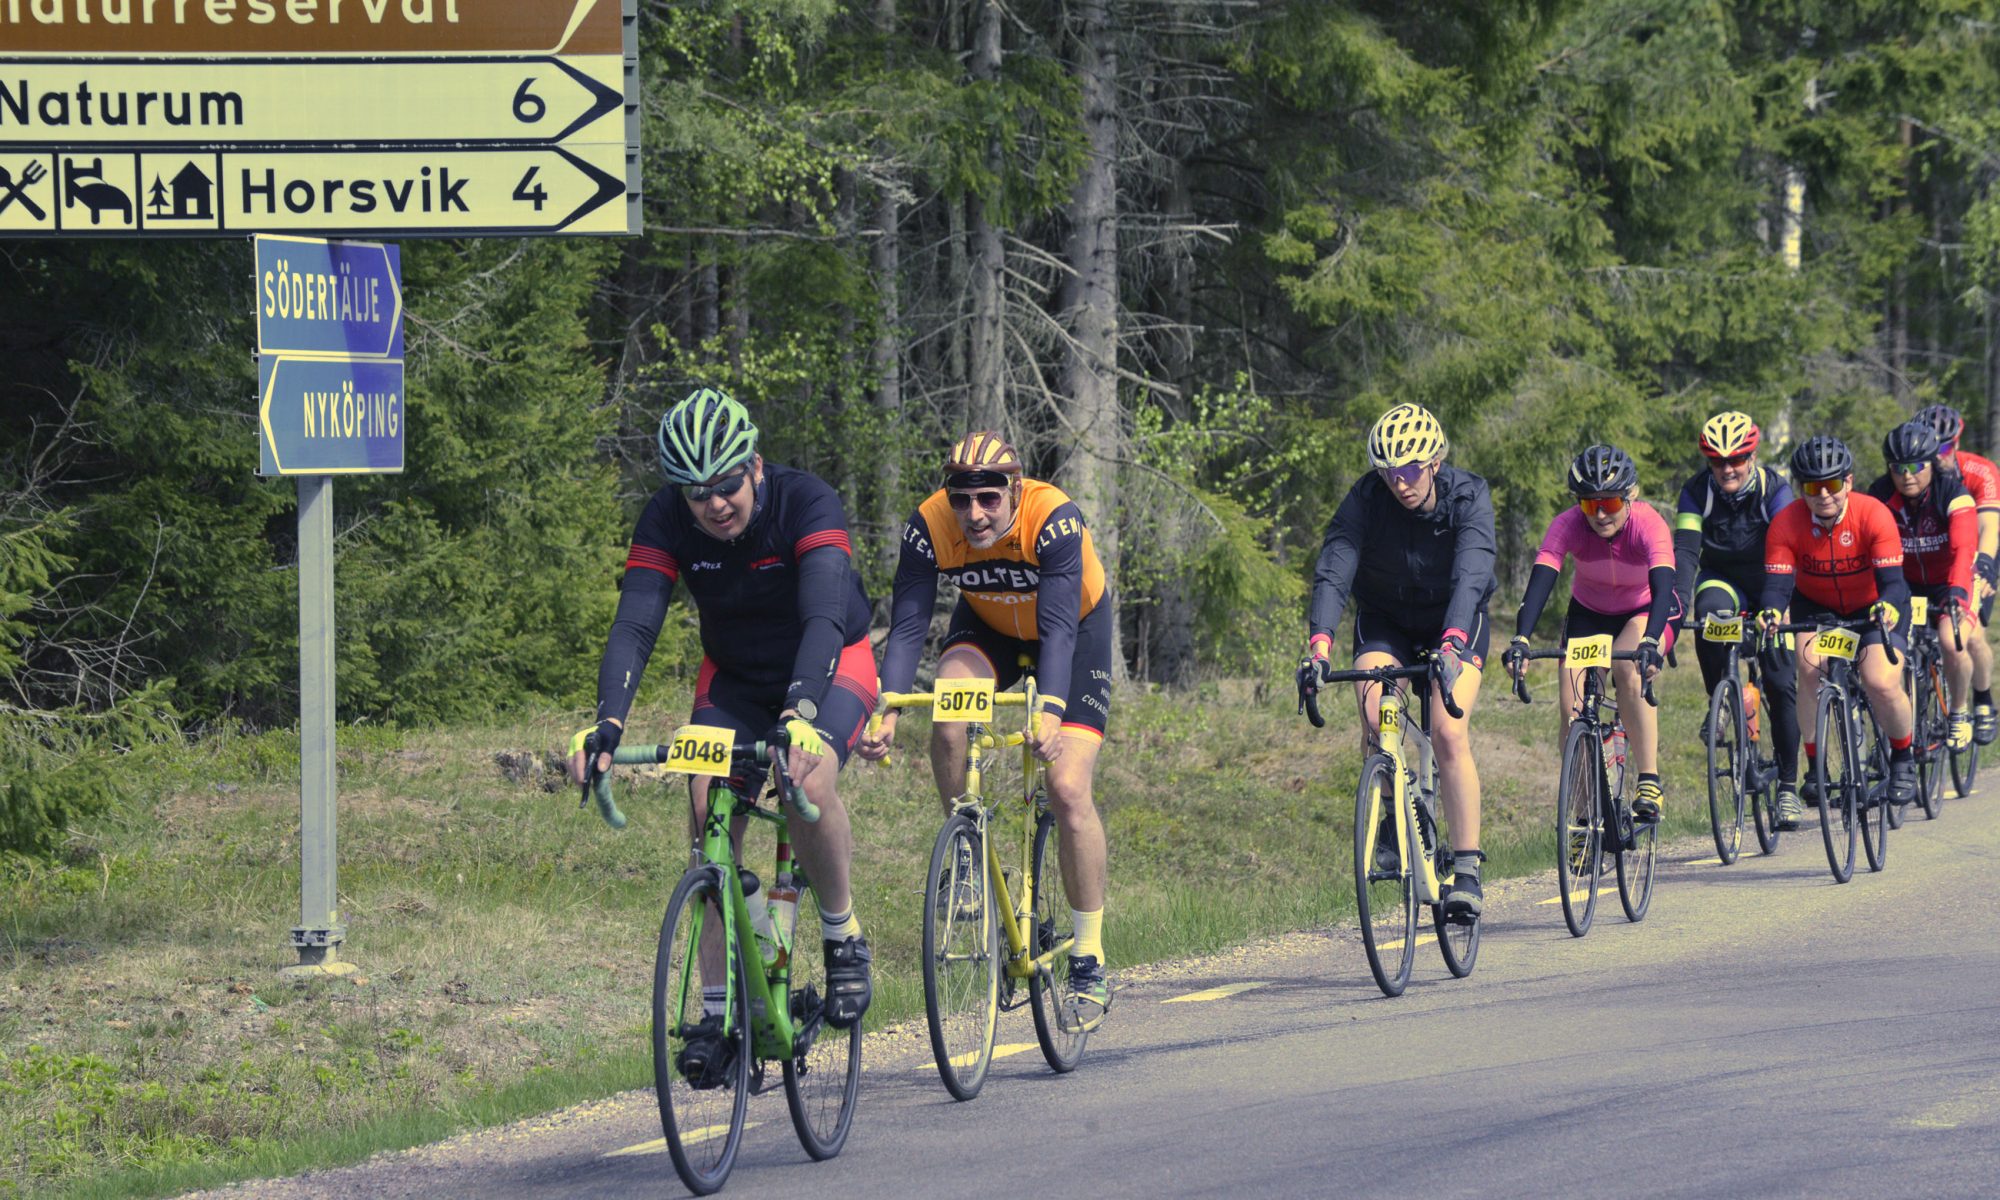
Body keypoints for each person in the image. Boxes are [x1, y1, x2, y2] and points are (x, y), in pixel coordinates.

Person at [567, 387, 878, 1067]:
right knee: (707, 811)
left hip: (829, 661)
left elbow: (825, 611)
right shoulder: (666, 520)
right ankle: (718, 1011)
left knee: (808, 776)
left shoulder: (807, 501)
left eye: (727, 484)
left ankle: (840, 933)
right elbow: (637, 619)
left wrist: (799, 715)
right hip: (735, 677)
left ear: (755, 466)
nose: (714, 504)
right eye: (695, 492)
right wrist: (608, 726)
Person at [856, 431, 1115, 1024]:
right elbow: (907, 626)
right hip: (990, 630)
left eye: (989, 500)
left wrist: (1049, 709)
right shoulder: (929, 526)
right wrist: (887, 706)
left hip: (1071, 636)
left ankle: (1089, 955)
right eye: (962, 499)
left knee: (1068, 788)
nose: (973, 514)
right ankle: (969, 856)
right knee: (948, 716)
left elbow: (1057, 628)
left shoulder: (1053, 517)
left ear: (1014, 491)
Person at [1299, 403, 1496, 920]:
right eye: (1388, 473)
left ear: (1434, 463)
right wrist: (1319, 643)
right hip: (1386, 619)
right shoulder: (1366, 499)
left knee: (1448, 731)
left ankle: (1469, 869)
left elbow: (1472, 574)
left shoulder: (1468, 495)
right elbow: (1335, 567)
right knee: (1373, 717)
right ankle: (1390, 815)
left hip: (1452, 620)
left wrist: (1453, 640)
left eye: (1409, 471)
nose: (1399, 483)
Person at [1505, 444, 1679, 820]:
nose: (1600, 514)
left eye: (1610, 504)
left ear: (1630, 496)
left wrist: (1651, 640)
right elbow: (1542, 579)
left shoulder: (1649, 524)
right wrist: (1522, 638)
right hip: (1589, 613)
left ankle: (1649, 779)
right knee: (1572, 714)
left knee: (1627, 671)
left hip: (1642, 610)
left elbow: (1665, 586)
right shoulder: (1567, 524)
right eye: (1589, 504)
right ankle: (1584, 819)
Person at [1757, 435, 1917, 805]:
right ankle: (1815, 770)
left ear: (1848, 482)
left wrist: (1888, 606)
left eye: (1831, 484)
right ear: (1800, 488)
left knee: (1880, 681)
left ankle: (1904, 757)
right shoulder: (1786, 523)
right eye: (1813, 487)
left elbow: (1893, 582)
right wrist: (1769, 610)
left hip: (1875, 604)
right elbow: (1777, 586)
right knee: (1809, 670)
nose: (1823, 495)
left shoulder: (1874, 514)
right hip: (1817, 606)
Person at [1671, 411, 1804, 827]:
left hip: (1772, 579)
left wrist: (1777, 607)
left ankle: (1786, 786)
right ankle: (1721, 700)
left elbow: (1789, 550)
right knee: (1708, 614)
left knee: (1782, 683)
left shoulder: (1774, 490)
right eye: (1717, 461)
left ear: (1752, 455)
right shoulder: (1695, 493)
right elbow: (1688, 553)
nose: (1727, 469)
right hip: (1723, 579)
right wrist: (1674, 605)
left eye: (1737, 459)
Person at [1867, 420, 1978, 750]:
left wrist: (1957, 593)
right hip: (1903, 585)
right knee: (1887, 655)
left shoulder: (1954, 494)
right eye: (1898, 468)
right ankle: (1891, 738)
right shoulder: (1880, 495)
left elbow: (1963, 550)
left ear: (1932, 463)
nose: (1907, 475)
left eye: (1916, 466)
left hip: (1948, 582)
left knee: (1952, 640)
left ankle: (1958, 711)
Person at [1917, 403, 2000, 745]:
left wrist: (1982, 569)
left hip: (1979, 552)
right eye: (1932, 449)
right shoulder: (1917, 476)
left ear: (1957, 443)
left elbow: (1989, 529)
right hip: (1933, 557)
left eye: (1946, 448)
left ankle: (1983, 700)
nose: (1939, 457)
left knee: (1973, 635)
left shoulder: (1979, 470)